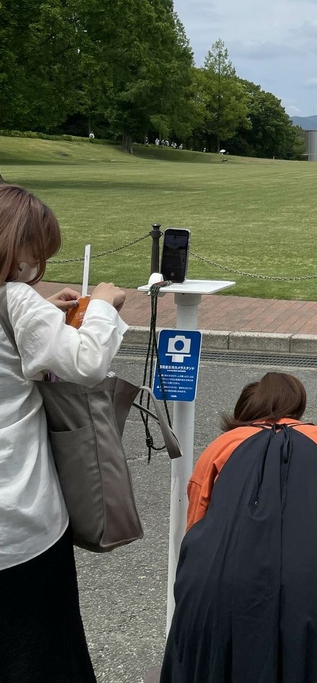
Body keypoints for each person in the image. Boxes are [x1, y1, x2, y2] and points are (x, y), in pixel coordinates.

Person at [161, 373, 317, 683]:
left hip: (223, 583)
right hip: (315, 583)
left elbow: (195, 523)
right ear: (296, 406)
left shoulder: (223, 445)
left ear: (245, 413)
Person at [0, 184, 127, 683]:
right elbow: (86, 362)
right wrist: (104, 305)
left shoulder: (21, 305)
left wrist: (38, 312)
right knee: (39, 655)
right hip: (20, 524)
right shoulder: (14, 299)